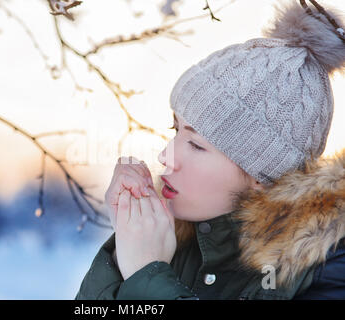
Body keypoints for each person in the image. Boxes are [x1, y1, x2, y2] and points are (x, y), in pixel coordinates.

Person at [75, 0, 345, 300]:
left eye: (195, 144)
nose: (166, 156)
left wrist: (146, 274)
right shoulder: (176, 241)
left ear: (263, 176)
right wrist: (124, 250)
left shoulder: (327, 273)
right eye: (175, 130)